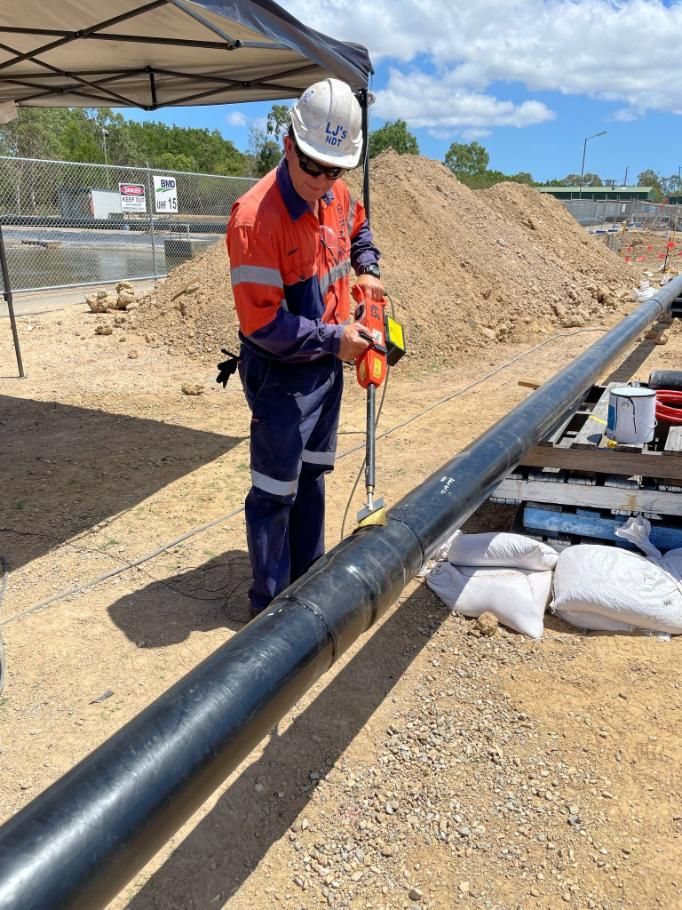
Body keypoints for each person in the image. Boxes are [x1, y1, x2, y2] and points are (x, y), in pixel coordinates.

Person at [226, 77, 383, 618]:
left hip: (327, 365)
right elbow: (263, 325)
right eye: (313, 166)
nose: (323, 181)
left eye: (334, 169)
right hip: (281, 375)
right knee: (275, 491)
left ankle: (307, 587)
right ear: (288, 145)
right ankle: (270, 611)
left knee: (313, 475)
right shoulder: (254, 221)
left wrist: (368, 269)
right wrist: (334, 339)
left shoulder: (336, 194)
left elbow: (359, 227)